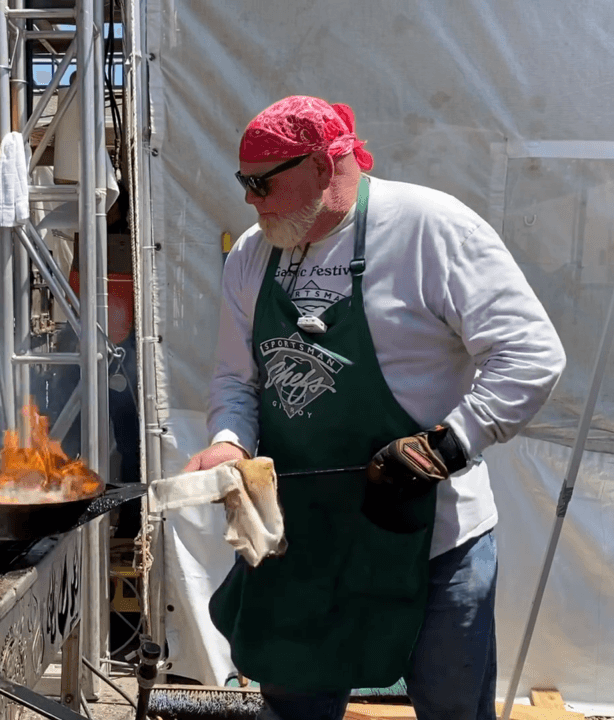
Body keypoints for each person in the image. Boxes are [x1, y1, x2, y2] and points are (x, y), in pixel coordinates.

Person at [184, 96, 566, 720]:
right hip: (300, 546)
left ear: (327, 166)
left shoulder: (431, 229)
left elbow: (531, 355)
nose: (251, 199)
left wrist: (448, 444)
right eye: (243, 182)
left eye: (264, 182)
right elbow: (235, 380)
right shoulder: (254, 256)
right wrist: (230, 441)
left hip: (431, 545)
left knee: (453, 710)